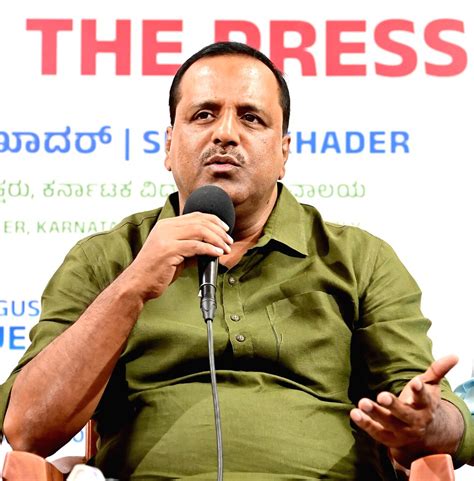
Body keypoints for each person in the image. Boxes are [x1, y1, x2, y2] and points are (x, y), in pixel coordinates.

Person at [0, 41, 473, 480]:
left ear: (284, 150)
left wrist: (427, 423)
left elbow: (435, 417)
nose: (225, 134)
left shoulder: (357, 257)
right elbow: (28, 431)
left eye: (251, 118)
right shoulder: (108, 257)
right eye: (204, 115)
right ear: (168, 145)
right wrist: (134, 285)